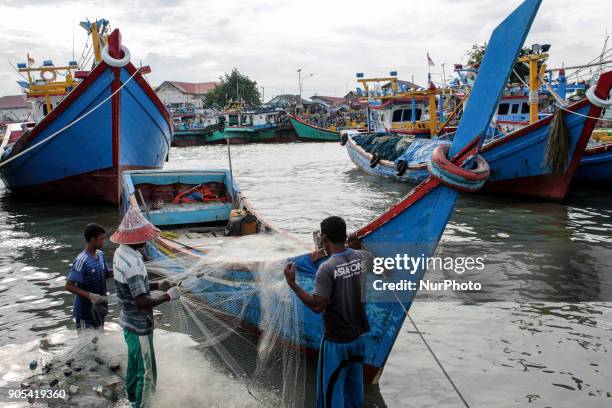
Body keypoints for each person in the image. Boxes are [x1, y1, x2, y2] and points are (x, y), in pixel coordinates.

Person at [284, 216, 372, 408]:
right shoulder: (363, 257)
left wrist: (293, 283)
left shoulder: (326, 268)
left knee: (331, 393)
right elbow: (383, 269)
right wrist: (359, 247)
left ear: (324, 238)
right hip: (359, 340)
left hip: (336, 342)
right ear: (345, 235)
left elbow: (317, 306)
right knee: (354, 392)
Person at [111, 207, 180, 408]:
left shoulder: (120, 253)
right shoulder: (133, 262)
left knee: (134, 364)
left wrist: (158, 285)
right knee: (146, 372)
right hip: (139, 325)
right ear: (136, 239)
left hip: (127, 322)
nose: (147, 240)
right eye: (144, 237)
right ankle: (140, 405)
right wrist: (167, 296)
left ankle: (131, 398)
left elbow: (131, 287)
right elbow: (141, 302)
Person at [65, 223, 112, 332]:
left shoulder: (100, 254)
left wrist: (119, 271)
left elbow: (104, 273)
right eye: (102, 239)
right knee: (88, 347)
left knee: (99, 344)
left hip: (99, 309)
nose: (104, 241)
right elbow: (69, 286)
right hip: (85, 314)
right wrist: (90, 295)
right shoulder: (82, 260)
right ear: (92, 239)